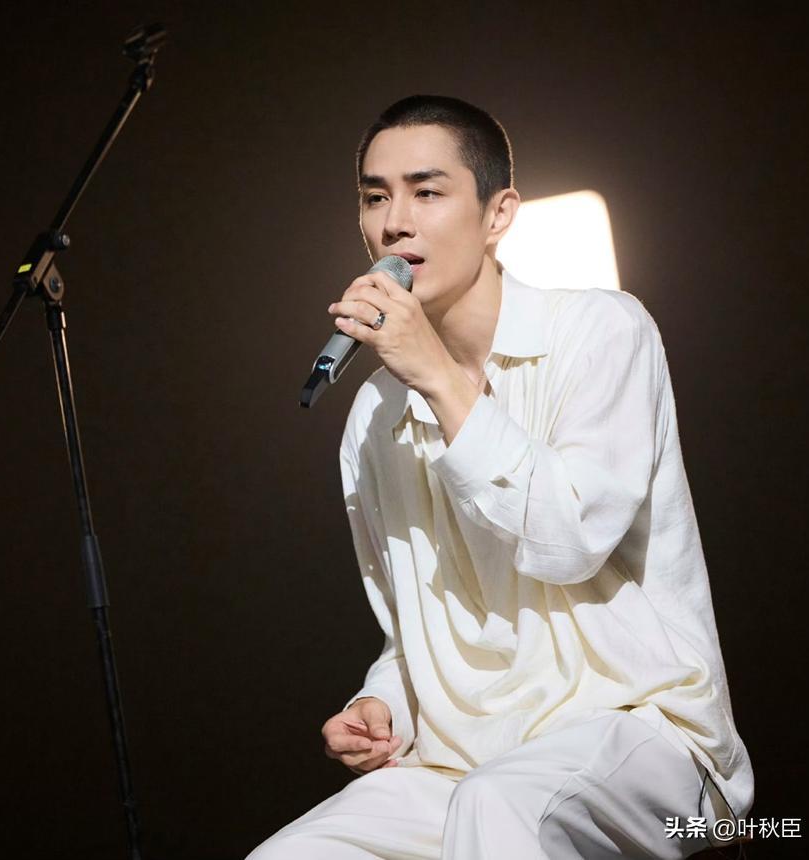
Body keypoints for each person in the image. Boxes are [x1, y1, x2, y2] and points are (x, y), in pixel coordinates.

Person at [247, 94, 754, 859]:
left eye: (426, 191)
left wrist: (439, 379)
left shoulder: (599, 330)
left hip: (637, 729)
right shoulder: (374, 414)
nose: (395, 223)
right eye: (375, 197)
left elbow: (568, 541)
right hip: (462, 758)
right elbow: (422, 622)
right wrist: (382, 701)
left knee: (500, 807)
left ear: (498, 214)